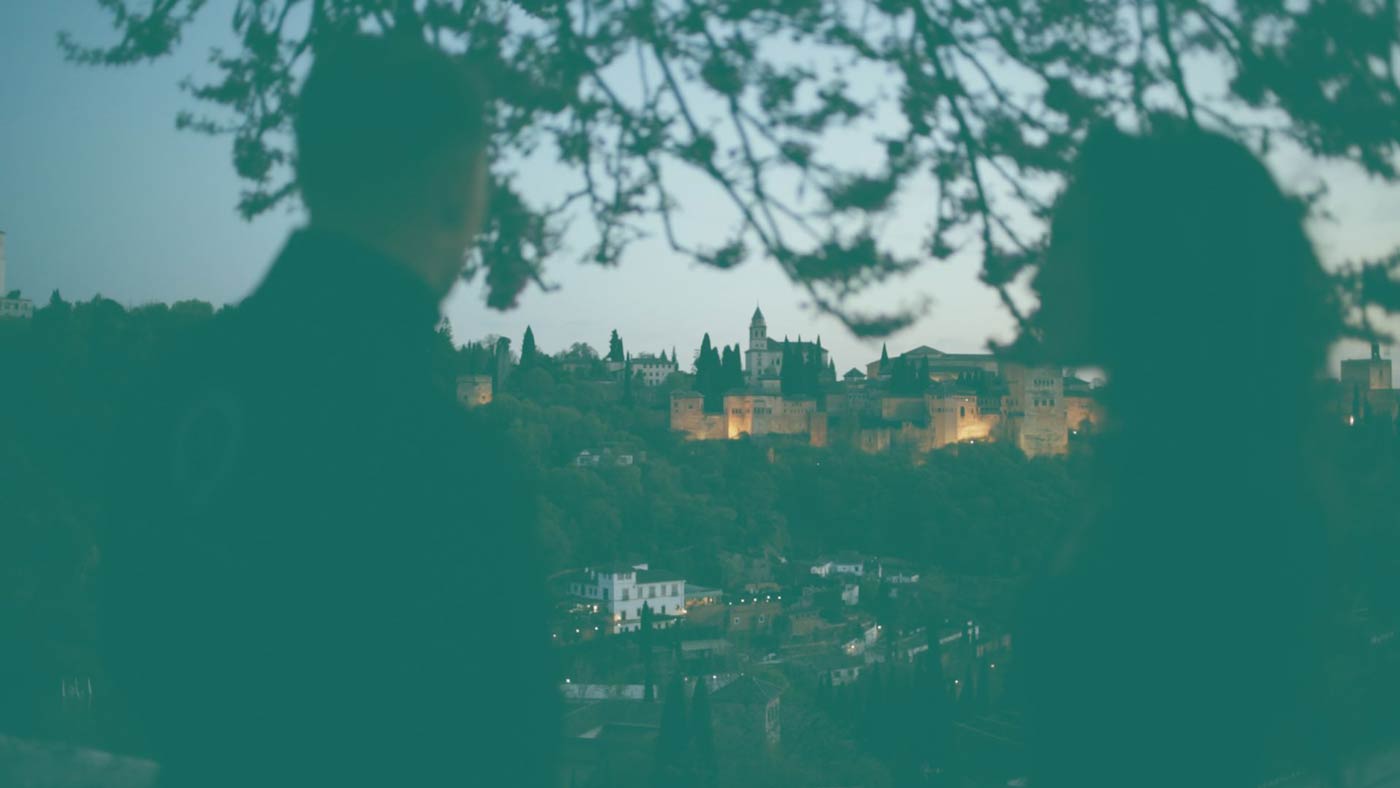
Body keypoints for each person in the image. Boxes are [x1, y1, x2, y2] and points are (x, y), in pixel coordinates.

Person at [101, 34, 558, 787]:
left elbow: (132, 641)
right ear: (458, 186)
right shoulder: (441, 457)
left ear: (312, 172)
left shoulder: (174, 386)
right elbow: (507, 748)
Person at [1016, 120, 1342, 787]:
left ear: (1149, 260)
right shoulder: (1173, 466)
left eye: (1067, 239)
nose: (1038, 274)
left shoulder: (1208, 499)